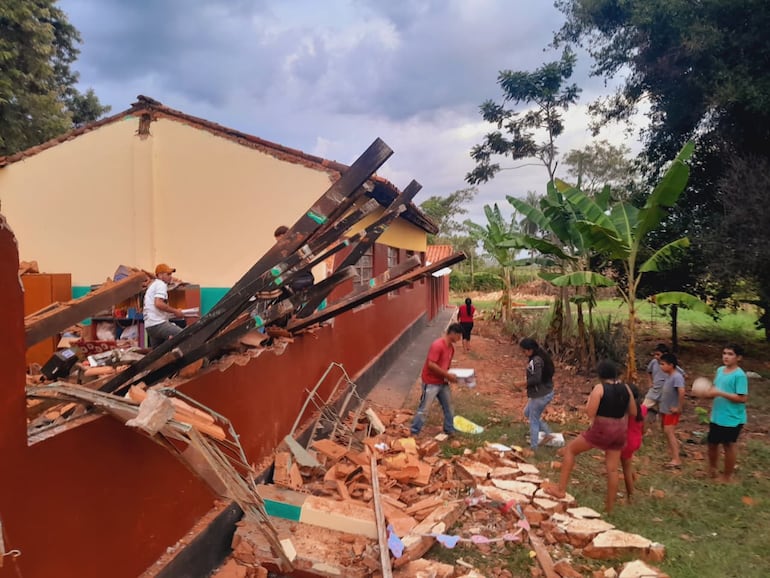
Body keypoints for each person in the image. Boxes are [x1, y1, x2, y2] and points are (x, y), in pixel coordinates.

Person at [544, 360, 636, 513]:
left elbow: (590, 412)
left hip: (601, 430)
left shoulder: (600, 388)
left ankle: (560, 489)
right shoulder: (626, 388)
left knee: (570, 450)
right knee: (613, 470)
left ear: (600, 375)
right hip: (619, 431)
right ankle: (609, 508)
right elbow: (633, 411)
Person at [704, 344, 748, 483]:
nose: (726, 356)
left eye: (730, 354)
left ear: (738, 358)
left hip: (732, 418)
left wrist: (720, 393)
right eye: (724, 353)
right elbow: (715, 389)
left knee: (728, 445)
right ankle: (712, 469)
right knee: (712, 443)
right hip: (717, 415)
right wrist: (707, 393)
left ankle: (727, 476)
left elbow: (742, 398)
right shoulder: (720, 370)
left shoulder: (739, 375)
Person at [410, 323, 463, 436]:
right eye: (459, 336)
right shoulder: (437, 345)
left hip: (442, 382)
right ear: (453, 333)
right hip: (431, 382)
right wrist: (447, 375)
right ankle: (414, 431)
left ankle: (449, 429)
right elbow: (431, 364)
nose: (460, 338)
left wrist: (451, 376)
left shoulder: (451, 349)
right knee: (425, 409)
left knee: (449, 406)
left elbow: (445, 366)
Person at [519, 338, 555, 450]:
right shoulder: (541, 356)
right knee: (527, 413)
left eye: (524, 351)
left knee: (533, 420)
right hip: (545, 391)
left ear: (530, 350)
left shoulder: (536, 361)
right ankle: (548, 434)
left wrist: (521, 384)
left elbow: (536, 379)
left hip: (540, 395)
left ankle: (533, 447)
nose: (523, 353)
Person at [144, 264, 185, 348]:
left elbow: (156, 309)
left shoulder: (153, 285)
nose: (170, 277)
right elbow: (158, 303)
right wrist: (176, 311)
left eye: (171, 274)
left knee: (158, 352)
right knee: (185, 336)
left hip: (150, 326)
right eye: (168, 274)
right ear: (160, 275)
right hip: (158, 324)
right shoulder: (161, 284)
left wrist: (174, 313)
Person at [621, 383, 647, 502]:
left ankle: (630, 496)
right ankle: (633, 477)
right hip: (636, 440)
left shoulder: (625, 411)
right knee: (628, 462)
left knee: (625, 468)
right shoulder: (643, 409)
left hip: (626, 442)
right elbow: (644, 428)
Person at [659, 352, 686, 468]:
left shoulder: (677, 377)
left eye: (663, 364)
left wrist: (678, 407)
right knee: (667, 432)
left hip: (671, 411)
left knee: (669, 432)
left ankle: (676, 459)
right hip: (666, 409)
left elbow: (682, 392)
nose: (661, 366)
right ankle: (674, 454)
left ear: (671, 365)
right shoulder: (669, 376)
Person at [274, 225, 314, 292]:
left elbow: (304, 260)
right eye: (278, 242)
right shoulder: (283, 252)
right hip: (294, 281)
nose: (281, 244)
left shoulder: (299, 244)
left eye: (282, 241)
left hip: (303, 278)